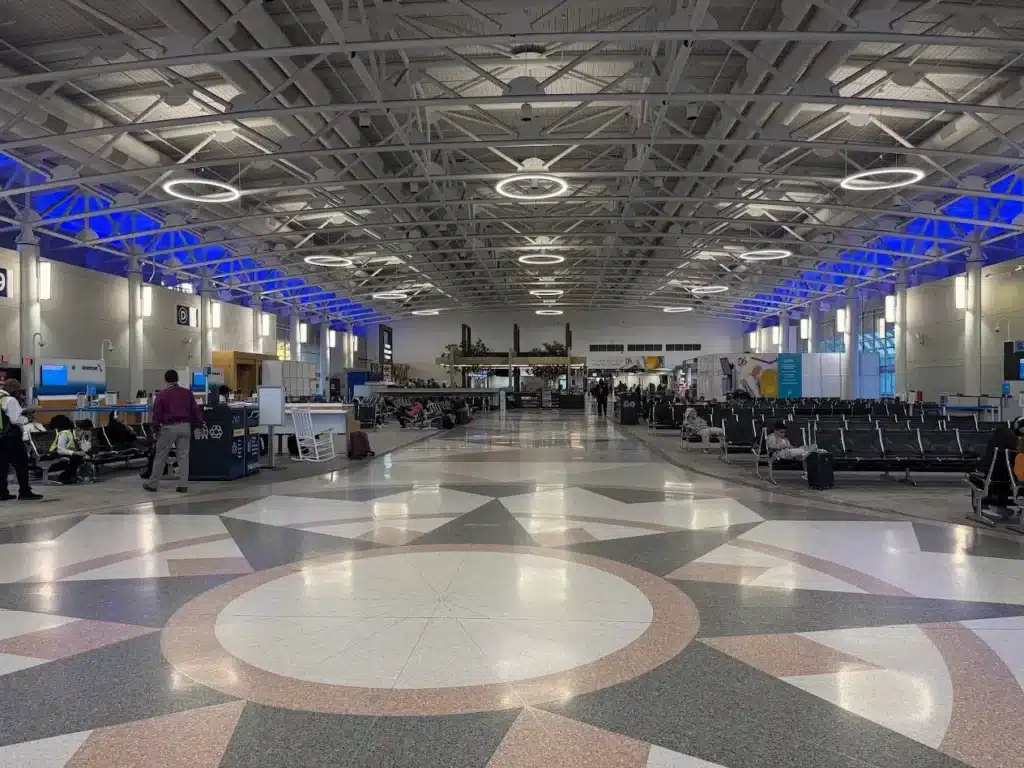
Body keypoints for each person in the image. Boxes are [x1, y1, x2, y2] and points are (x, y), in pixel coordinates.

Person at [144, 369, 204, 493]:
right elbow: (195, 410)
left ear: (166, 380)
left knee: (160, 455)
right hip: (185, 427)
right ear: (177, 379)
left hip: (169, 428)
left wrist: (155, 427)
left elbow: (157, 412)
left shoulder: (162, 394)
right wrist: (198, 424)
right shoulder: (187, 393)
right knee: (183, 456)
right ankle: (183, 485)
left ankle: (153, 484)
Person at [0, 379, 42, 500]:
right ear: (13, 389)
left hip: (1, 438)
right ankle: (24, 491)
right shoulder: (10, 400)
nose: (19, 394)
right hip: (11, 438)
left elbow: (5, 414)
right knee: (21, 464)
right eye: (18, 391)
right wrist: (26, 419)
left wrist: (22, 410)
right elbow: (15, 419)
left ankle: (2, 492)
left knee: (2, 466)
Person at [50, 416, 92, 485]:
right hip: (54, 454)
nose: (84, 436)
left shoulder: (79, 436)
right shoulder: (65, 433)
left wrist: (89, 438)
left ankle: (73, 475)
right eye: (83, 433)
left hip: (69, 454)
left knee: (82, 455)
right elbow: (60, 450)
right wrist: (75, 452)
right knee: (77, 457)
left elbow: (85, 449)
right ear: (78, 429)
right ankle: (65, 477)